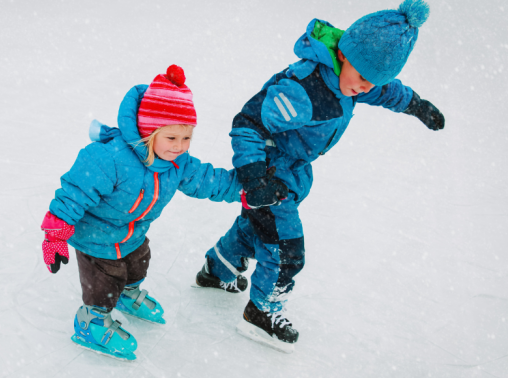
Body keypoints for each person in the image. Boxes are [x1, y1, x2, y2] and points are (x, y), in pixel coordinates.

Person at [193, 0, 445, 353]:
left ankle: (217, 267)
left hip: (291, 172)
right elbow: (249, 123)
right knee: (286, 248)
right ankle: (262, 312)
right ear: (344, 55)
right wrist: (254, 176)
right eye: (361, 79)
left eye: (371, 83)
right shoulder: (305, 90)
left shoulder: (355, 79)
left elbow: (386, 90)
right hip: (270, 173)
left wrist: (415, 104)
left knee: (259, 227)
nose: (363, 89)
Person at [40, 65, 242, 360]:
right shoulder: (109, 158)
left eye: (186, 138)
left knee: (137, 264)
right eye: (171, 138)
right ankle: (91, 320)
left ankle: (125, 294)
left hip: (133, 232)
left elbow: (208, 180)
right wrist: (55, 236)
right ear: (149, 133)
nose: (180, 147)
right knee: (105, 279)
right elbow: (73, 193)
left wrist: (245, 188)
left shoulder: (178, 162)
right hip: (96, 237)